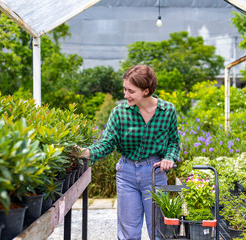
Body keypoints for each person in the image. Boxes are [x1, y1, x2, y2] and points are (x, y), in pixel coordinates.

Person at [76, 64, 180, 240]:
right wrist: (86, 153)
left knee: (160, 232)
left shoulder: (167, 110)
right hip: (127, 174)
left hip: (155, 173)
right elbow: (107, 143)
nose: (125, 95)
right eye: (125, 89)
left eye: (130, 91)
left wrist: (169, 158)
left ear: (146, 91)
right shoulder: (119, 113)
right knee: (129, 234)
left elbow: (173, 142)